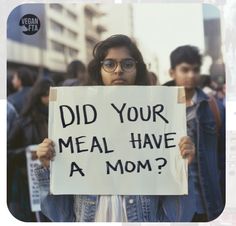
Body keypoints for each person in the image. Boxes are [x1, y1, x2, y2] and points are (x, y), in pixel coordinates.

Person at [35, 35, 195, 222]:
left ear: (137, 70)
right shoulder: (75, 125)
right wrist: (48, 168)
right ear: (99, 71)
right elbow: (60, 216)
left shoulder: (162, 124)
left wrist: (184, 168)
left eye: (127, 64)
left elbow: (179, 217)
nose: (118, 70)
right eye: (110, 64)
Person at [168, 45, 225, 221]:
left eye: (195, 70)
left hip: (206, 205)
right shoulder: (156, 108)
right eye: (184, 70)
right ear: (172, 72)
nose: (191, 75)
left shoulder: (213, 107)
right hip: (170, 208)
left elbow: (222, 158)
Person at [7, 77, 54, 222]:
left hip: (53, 182)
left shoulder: (58, 118)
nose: (49, 99)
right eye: (46, 94)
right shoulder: (24, 121)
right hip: (28, 183)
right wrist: (28, 152)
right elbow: (7, 151)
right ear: (38, 96)